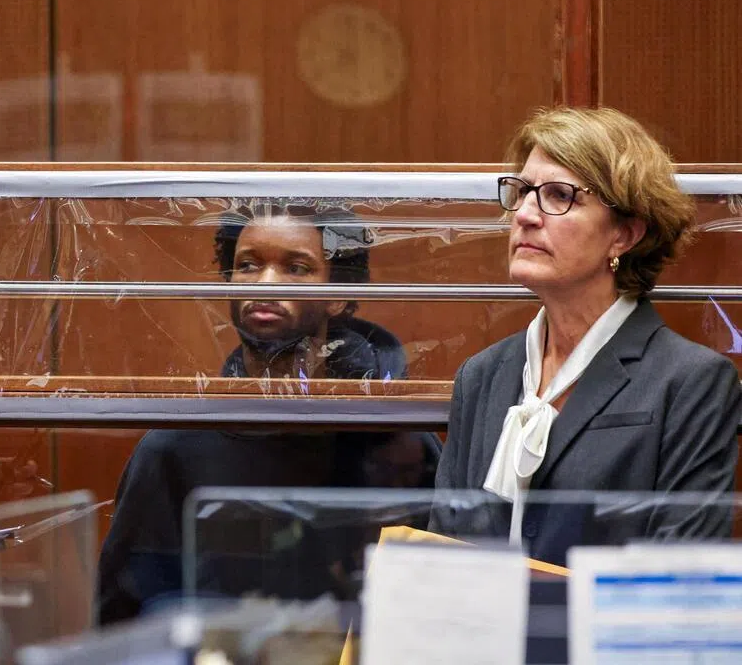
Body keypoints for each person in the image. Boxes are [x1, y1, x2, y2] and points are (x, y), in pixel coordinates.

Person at [97, 202, 440, 625]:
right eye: (247, 265)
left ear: (339, 296)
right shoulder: (176, 445)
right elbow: (126, 619)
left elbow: (440, 606)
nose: (266, 283)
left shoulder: (398, 439)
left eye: (296, 268)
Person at [430, 107, 742, 564]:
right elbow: (444, 553)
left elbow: (680, 570)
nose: (526, 215)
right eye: (521, 192)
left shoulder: (691, 382)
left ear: (625, 235)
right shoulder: (482, 376)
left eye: (559, 196)